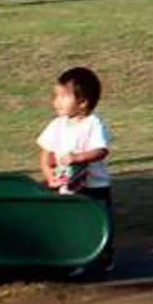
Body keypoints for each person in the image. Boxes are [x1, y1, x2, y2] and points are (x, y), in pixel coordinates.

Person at [36, 65, 114, 256]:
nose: (57, 101)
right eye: (56, 96)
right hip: (66, 183)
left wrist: (78, 157)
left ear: (83, 102)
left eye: (64, 96)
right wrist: (48, 174)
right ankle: (74, 253)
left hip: (95, 186)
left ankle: (104, 253)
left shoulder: (93, 123)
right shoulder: (57, 125)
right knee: (70, 220)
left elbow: (100, 151)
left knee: (99, 221)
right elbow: (46, 151)